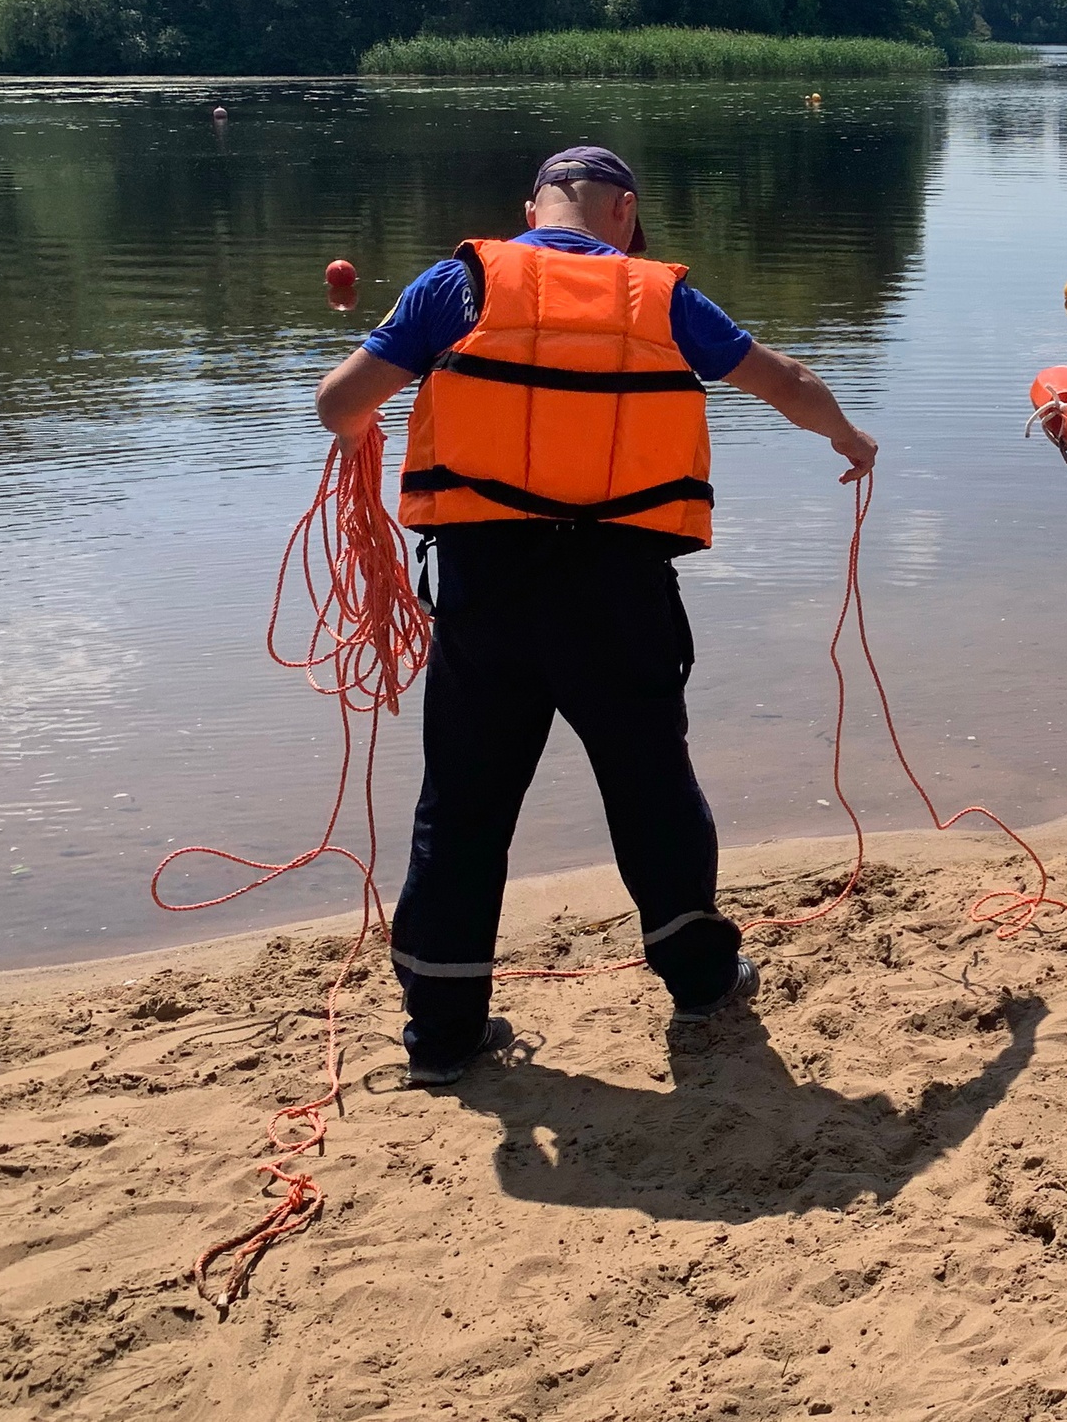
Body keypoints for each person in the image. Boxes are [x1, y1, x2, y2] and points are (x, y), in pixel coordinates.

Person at [313, 147, 880, 1087]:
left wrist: (374, 418)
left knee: (464, 806)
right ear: (622, 210)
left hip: (487, 588)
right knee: (651, 785)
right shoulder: (660, 297)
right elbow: (785, 382)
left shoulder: (458, 283)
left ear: (531, 207)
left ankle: (446, 1034)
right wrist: (850, 438)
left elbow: (339, 404)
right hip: (618, 590)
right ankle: (701, 984)